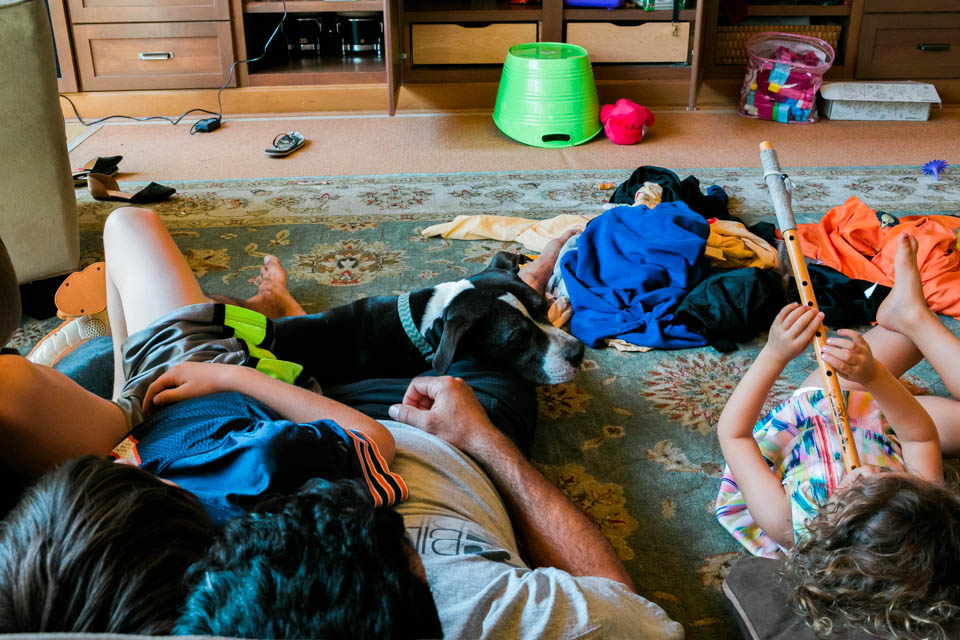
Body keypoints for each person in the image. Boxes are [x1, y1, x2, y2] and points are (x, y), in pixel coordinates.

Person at [1, 209, 682, 638]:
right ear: (412, 576)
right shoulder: (478, 610)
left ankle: (277, 315)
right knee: (483, 353)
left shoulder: (164, 590)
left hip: (253, 406)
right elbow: (632, 617)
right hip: (417, 429)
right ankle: (519, 288)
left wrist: (158, 398)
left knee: (98, 357)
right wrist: (482, 440)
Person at [0, 207, 433, 636]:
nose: (119, 464)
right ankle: (279, 313)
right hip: (203, 389)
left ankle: (126, 385)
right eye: (126, 475)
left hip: (142, 422)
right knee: (127, 224)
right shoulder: (258, 476)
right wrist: (232, 376)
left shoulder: (134, 585)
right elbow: (375, 441)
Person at [715, 233, 960, 639]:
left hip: (820, 414)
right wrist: (875, 378)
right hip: (885, 426)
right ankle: (912, 316)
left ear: (832, 529)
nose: (862, 469)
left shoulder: (786, 521)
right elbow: (918, 440)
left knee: (896, 345)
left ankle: (907, 317)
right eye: (885, 477)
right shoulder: (920, 513)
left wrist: (774, 354)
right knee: (905, 342)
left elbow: (734, 434)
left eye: (854, 488)